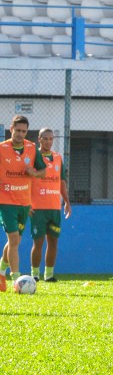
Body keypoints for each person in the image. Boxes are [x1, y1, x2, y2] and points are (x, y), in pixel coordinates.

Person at [0, 115, 46, 290]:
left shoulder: (32, 148)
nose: (20, 134)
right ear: (11, 129)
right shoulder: (2, 149)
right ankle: (17, 280)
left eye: (24, 131)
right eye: (17, 130)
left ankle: (1, 271)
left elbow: (42, 171)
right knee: (12, 239)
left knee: (16, 242)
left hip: (24, 202)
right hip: (5, 202)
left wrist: (33, 173)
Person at [30, 128, 72, 282]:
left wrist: (66, 201)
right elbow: (27, 180)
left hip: (54, 208)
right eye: (45, 138)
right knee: (38, 242)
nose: (48, 141)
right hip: (37, 208)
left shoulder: (58, 157)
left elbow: (62, 182)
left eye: (51, 138)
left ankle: (49, 275)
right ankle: (35, 274)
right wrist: (27, 203)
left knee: (53, 241)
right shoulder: (34, 156)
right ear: (39, 139)